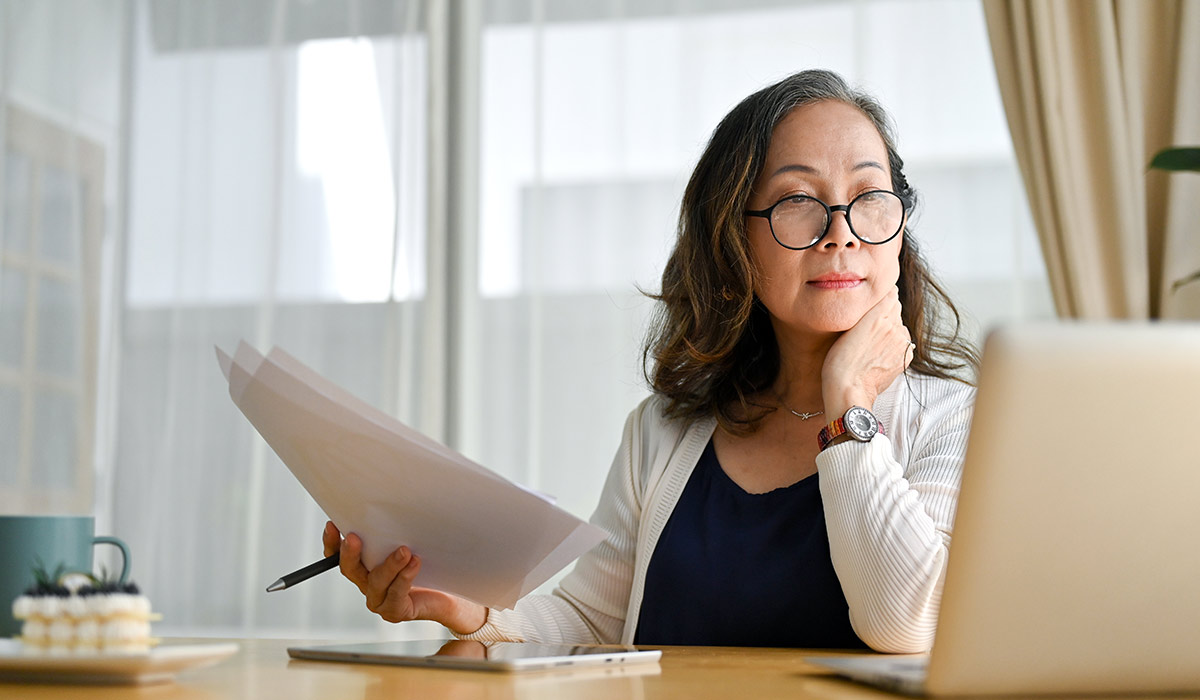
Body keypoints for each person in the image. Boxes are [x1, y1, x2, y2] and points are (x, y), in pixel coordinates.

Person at [322, 69, 978, 653]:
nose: (841, 229)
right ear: (735, 241)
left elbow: (905, 623)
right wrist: (472, 614)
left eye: (869, 196)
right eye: (798, 202)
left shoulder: (954, 420)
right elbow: (589, 619)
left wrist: (849, 407)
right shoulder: (662, 432)